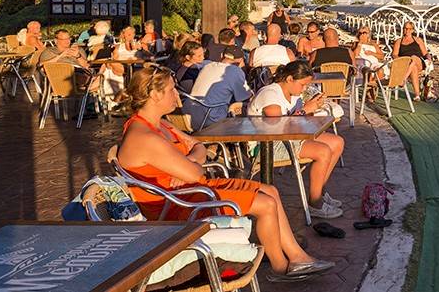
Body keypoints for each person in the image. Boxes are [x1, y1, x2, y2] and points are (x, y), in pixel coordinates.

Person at [117, 66, 333, 281]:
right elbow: (194, 171)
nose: (178, 95)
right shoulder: (144, 136)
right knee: (265, 204)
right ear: (155, 94)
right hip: (177, 204)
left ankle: (297, 257)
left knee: (270, 191)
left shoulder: (160, 125)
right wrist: (191, 162)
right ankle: (280, 268)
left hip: (191, 190)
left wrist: (189, 159)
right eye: (173, 90)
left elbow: (198, 145)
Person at [248, 61, 345, 219]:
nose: (304, 89)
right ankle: (315, 203)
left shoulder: (294, 94)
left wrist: (312, 107)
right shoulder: (270, 94)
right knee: (323, 152)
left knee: (337, 143)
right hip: (267, 146)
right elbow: (278, 128)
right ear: (289, 79)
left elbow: (295, 122)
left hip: (287, 138)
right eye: (303, 85)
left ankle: (319, 191)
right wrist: (305, 110)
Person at [182, 55, 251, 131]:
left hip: (187, 115)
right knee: (245, 107)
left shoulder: (208, 66)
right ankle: (247, 140)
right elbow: (245, 97)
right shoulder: (235, 71)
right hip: (209, 118)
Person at [392, 21, 429, 100]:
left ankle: (403, 79)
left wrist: (429, 59)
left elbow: (425, 53)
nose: (407, 30)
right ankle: (417, 95)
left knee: (413, 58)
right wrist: (399, 60)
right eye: (405, 28)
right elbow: (394, 54)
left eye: (409, 29)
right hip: (406, 64)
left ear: (412, 30)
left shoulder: (418, 40)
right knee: (413, 68)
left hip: (419, 62)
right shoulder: (399, 41)